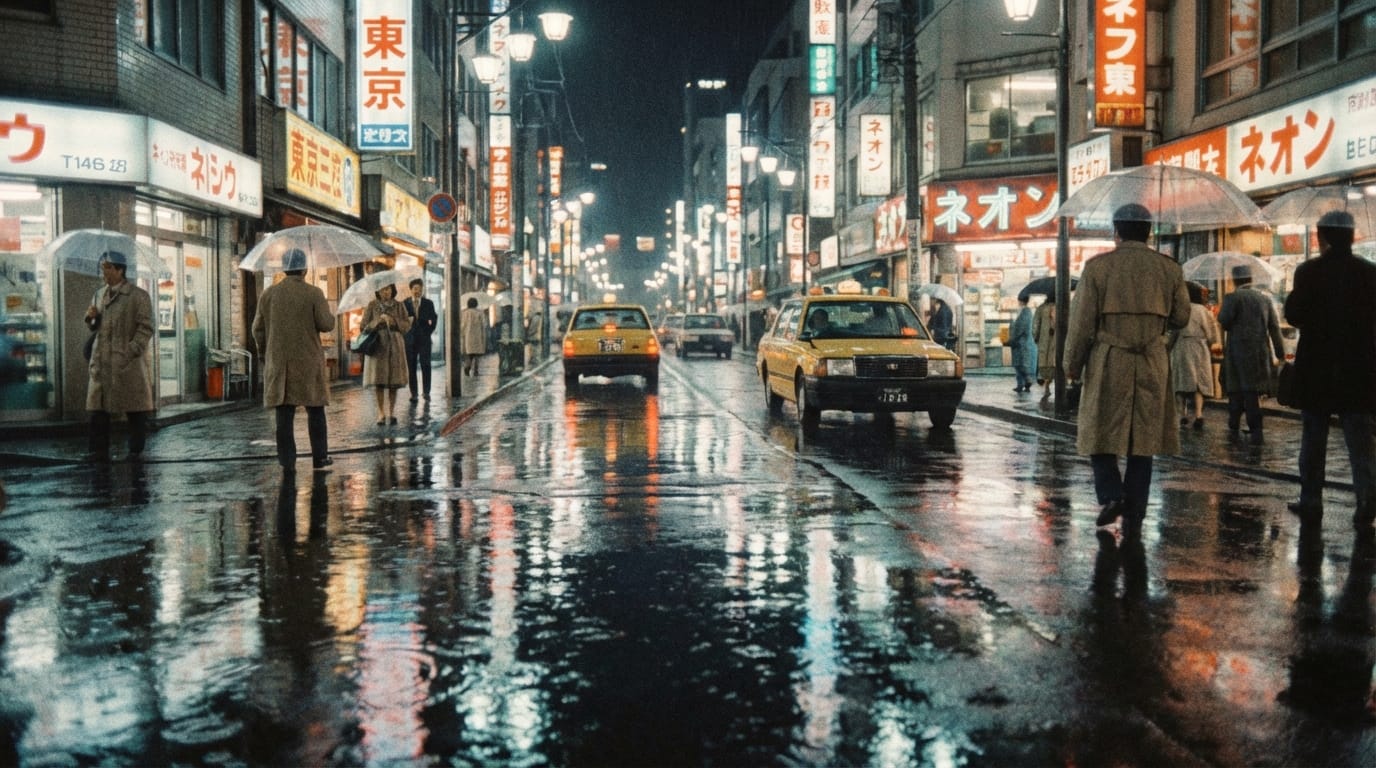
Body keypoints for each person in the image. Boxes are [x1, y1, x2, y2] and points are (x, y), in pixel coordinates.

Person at [1063, 203, 1191, 534]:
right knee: (1144, 438)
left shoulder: (1097, 268)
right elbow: (1181, 318)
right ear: (1148, 231)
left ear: (1117, 231)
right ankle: (1135, 507)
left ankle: (1110, 495)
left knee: (1099, 432)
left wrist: (1071, 365)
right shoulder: (1169, 269)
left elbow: (1080, 325)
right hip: (1152, 359)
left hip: (1109, 358)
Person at [1283, 210, 1376, 526]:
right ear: (1352, 237)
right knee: (1360, 441)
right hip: (1359, 368)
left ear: (1321, 236)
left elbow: (1294, 315)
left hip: (1317, 368)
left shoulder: (1309, 272)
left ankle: (1311, 500)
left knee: (1314, 437)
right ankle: (1366, 499)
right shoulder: (1369, 273)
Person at [251, 248, 335, 471]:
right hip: (309, 362)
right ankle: (320, 457)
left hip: (280, 363)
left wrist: (264, 354)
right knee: (315, 410)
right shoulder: (314, 293)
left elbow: (257, 329)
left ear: (284, 268)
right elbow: (326, 324)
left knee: (284, 414)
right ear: (304, 268)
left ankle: (287, 461)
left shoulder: (268, 294)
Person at [84, 250, 155, 462]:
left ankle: (135, 452)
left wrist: (130, 351)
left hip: (127, 363)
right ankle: (97, 452)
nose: (103, 273)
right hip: (103, 361)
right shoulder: (99, 294)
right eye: (102, 268)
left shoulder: (138, 296)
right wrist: (91, 319)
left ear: (119, 270)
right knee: (99, 409)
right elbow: (94, 327)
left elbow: (146, 328)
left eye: (106, 267)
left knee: (134, 410)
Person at [1218, 265, 1284, 444]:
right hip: (1260, 351)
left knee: (1236, 390)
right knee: (1252, 391)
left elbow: (1224, 321)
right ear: (1251, 279)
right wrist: (1280, 352)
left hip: (1237, 352)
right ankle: (1256, 429)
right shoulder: (1264, 299)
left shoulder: (1232, 298)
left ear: (1234, 279)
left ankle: (1235, 424)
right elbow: (1274, 327)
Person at [1169, 283, 1221, 429]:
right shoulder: (1204, 311)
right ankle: (1199, 414)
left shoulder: (1180, 310)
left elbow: (1173, 331)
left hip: (1182, 346)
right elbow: (1212, 333)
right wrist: (1213, 344)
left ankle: (1182, 415)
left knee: (1180, 383)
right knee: (1198, 384)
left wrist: (1168, 347)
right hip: (1200, 347)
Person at [361, 283, 411, 425]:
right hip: (378, 346)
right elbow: (363, 325)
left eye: (388, 289)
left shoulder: (399, 305)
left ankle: (392, 412)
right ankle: (381, 413)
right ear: (378, 291)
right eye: (383, 289)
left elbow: (407, 325)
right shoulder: (372, 305)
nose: (386, 292)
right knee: (379, 381)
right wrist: (377, 321)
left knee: (394, 381)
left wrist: (393, 321)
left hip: (395, 345)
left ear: (393, 290)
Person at [403, 278, 437, 402]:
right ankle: (414, 394)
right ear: (411, 289)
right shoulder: (405, 303)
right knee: (411, 367)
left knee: (426, 365)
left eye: (420, 289)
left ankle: (426, 392)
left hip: (424, 340)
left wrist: (428, 331)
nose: (418, 291)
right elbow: (401, 321)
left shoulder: (428, 303)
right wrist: (405, 332)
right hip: (410, 340)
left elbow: (434, 318)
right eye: (416, 289)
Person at [1032, 294, 1058, 399]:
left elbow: (1035, 325)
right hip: (1058, 340)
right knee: (1055, 361)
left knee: (1044, 362)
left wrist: (1036, 337)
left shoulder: (1041, 308)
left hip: (1044, 340)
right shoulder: (1063, 306)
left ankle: (1047, 386)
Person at [1009, 295, 1036, 392]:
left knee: (1020, 364)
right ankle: (1022, 383)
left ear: (1020, 301)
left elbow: (1019, 328)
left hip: (1021, 343)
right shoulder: (1025, 311)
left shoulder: (1025, 312)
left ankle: (1026, 381)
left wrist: (1012, 338)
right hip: (1021, 342)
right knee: (1019, 364)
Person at [460, 297, 486, 376]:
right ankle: (476, 370)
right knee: (477, 354)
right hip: (478, 336)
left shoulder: (465, 313)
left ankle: (468, 367)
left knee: (469, 354)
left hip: (468, 336)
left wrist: (462, 334)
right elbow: (483, 324)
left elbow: (463, 325)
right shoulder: (480, 313)